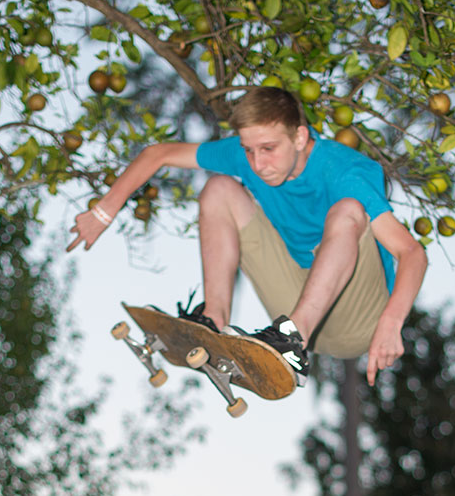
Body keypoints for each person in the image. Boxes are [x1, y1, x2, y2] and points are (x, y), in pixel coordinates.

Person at [67, 86, 427, 386]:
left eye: (269, 149)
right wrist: (103, 211)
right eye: (250, 150)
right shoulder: (247, 156)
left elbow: (412, 253)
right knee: (219, 188)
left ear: (300, 137)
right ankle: (213, 318)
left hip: (360, 317)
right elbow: (159, 154)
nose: (258, 164)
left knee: (348, 210)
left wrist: (392, 323)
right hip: (297, 292)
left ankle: (292, 340)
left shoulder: (346, 171)